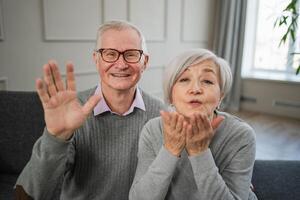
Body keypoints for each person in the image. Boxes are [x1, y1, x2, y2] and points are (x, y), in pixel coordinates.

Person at [15, 20, 165, 200]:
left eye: (131, 54)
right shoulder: (73, 112)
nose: (121, 64)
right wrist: (56, 137)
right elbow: (26, 196)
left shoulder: (162, 114)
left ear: (145, 61)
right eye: (110, 54)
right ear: (96, 59)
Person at [129, 49, 258, 200]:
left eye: (208, 81)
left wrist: (200, 153)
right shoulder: (153, 130)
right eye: (184, 80)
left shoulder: (240, 135)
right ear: (171, 94)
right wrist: (170, 150)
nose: (195, 89)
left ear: (221, 96)